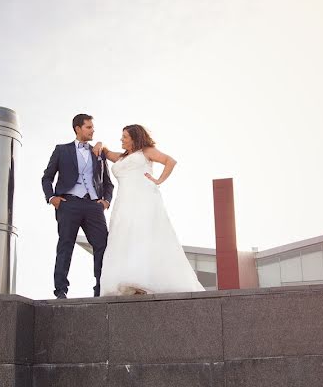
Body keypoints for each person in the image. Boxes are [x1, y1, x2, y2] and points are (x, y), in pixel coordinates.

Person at [92, 125, 204, 295]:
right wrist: (99, 142)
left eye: (125, 137)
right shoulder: (121, 157)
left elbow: (170, 161)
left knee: (143, 235)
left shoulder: (146, 151)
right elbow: (105, 152)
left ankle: (143, 282)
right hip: (124, 202)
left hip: (144, 198)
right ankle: (130, 282)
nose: (121, 140)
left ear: (135, 138)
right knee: (124, 237)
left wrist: (159, 180)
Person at [41, 114, 114, 298]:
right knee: (65, 245)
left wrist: (105, 201)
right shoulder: (61, 150)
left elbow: (108, 182)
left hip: (93, 205)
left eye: (92, 127)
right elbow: (47, 177)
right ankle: (61, 290)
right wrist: (52, 198)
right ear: (77, 128)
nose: (92, 130)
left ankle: (100, 288)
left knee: (103, 245)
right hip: (68, 203)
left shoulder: (98, 153)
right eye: (89, 127)